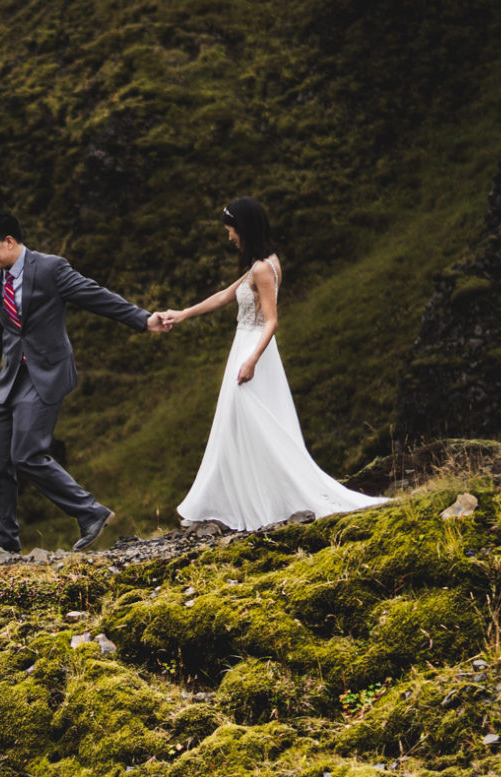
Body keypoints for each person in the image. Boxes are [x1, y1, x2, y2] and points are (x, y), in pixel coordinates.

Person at [156, 198, 386, 532]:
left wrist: (251, 360)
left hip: (253, 349)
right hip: (247, 347)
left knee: (247, 422)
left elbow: (272, 320)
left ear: (244, 229)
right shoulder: (261, 264)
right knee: (239, 425)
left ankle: (258, 501)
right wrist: (183, 313)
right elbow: (225, 295)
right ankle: (235, 500)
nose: (229, 237)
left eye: (231, 230)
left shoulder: (263, 268)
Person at [0, 208, 162, 555]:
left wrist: (142, 320)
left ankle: (89, 511)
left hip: (47, 373)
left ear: (9, 242)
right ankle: (4, 536)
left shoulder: (51, 268)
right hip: (10, 376)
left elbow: (95, 295)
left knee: (26, 453)